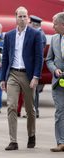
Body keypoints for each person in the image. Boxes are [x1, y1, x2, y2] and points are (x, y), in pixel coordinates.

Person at [0, 6, 43, 150]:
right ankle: (13, 141)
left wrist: (36, 76)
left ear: (28, 18)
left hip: (28, 75)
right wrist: (2, 78)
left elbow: (39, 57)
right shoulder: (9, 35)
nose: (23, 19)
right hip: (12, 74)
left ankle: (31, 135)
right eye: (20, 16)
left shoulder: (35, 34)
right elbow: (5, 58)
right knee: (11, 106)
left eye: (25, 16)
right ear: (16, 18)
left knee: (30, 109)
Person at [17, 15, 47, 118]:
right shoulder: (39, 33)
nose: (28, 25)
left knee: (34, 91)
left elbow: (38, 54)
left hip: (34, 67)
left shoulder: (39, 34)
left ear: (34, 24)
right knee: (33, 91)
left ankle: (34, 111)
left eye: (30, 23)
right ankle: (33, 111)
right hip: (33, 67)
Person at [46, 12, 64, 152]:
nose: (53, 27)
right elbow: (49, 59)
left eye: (55, 24)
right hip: (58, 83)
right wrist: (54, 70)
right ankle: (61, 142)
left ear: (62, 25)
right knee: (59, 112)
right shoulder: (54, 39)